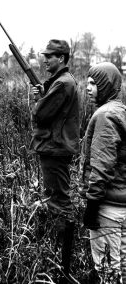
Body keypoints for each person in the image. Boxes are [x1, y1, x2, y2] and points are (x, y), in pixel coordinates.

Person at [31, 39, 80, 283]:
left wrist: (39, 100)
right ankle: (59, 258)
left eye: (50, 56)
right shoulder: (61, 82)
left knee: (59, 201)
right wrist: (43, 92)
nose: (45, 59)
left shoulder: (62, 84)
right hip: (55, 148)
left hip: (55, 148)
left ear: (61, 58)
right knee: (56, 199)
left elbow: (40, 116)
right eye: (45, 55)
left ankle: (64, 265)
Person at [81, 62, 126, 284]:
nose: (88, 88)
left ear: (106, 85)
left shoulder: (105, 115)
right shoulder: (121, 111)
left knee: (108, 271)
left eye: (93, 83)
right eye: (87, 82)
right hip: (121, 205)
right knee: (122, 272)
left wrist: (91, 205)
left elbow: (101, 165)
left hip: (107, 210)